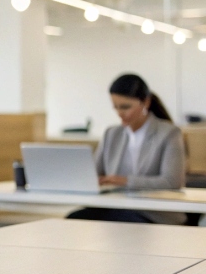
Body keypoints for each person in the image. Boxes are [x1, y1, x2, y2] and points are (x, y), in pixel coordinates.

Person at [67, 73, 186, 224]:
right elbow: (95, 174)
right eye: (115, 107)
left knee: (119, 224)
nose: (119, 113)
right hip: (115, 206)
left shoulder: (169, 133)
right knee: (74, 219)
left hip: (153, 213)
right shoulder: (112, 134)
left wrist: (124, 181)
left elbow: (171, 182)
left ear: (146, 103)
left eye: (125, 107)